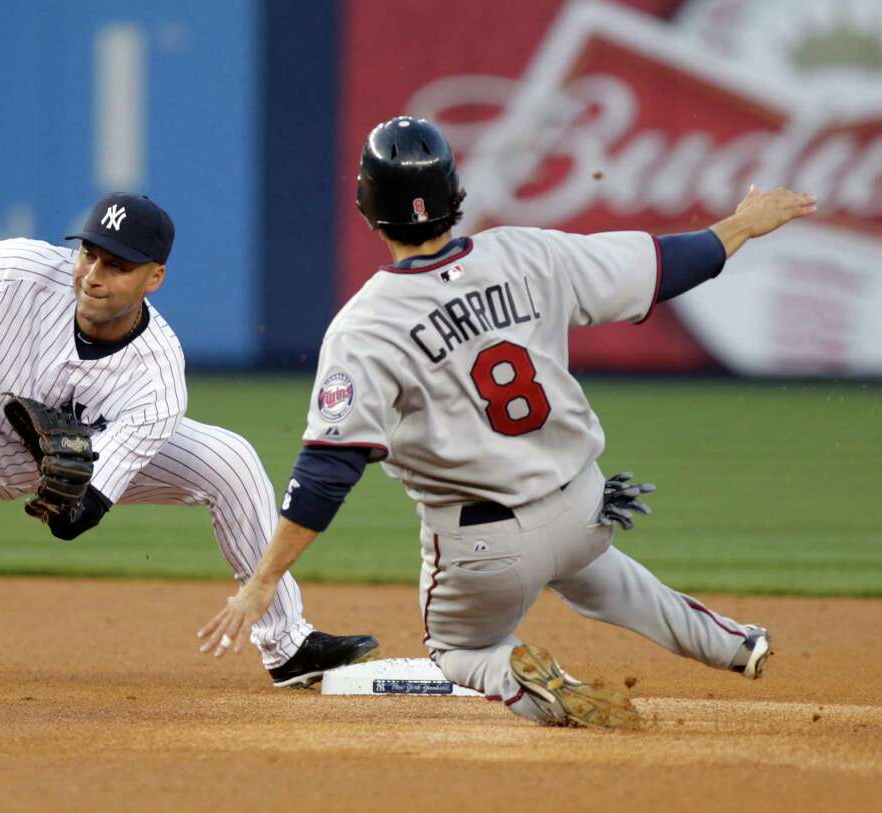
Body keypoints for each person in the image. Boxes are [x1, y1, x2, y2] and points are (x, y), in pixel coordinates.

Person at [199, 117, 817, 728]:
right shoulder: (528, 252)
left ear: (367, 204)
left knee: (458, 651)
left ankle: (519, 675)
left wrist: (263, 582)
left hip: (482, 549)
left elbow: (328, 470)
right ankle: (736, 644)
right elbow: (665, 266)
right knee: (600, 576)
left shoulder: (366, 326)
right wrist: (741, 225)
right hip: (583, 507)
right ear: (453, 194)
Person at [0, 193, 377, 692]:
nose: (93, 273)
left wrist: (66, 500)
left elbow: (78, 519)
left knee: (229, 460)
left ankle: (288, 644)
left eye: (116, 264)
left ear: (154, 277)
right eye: (89, 253)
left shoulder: (157, 375)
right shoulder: (20, 268)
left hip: (83, 456)